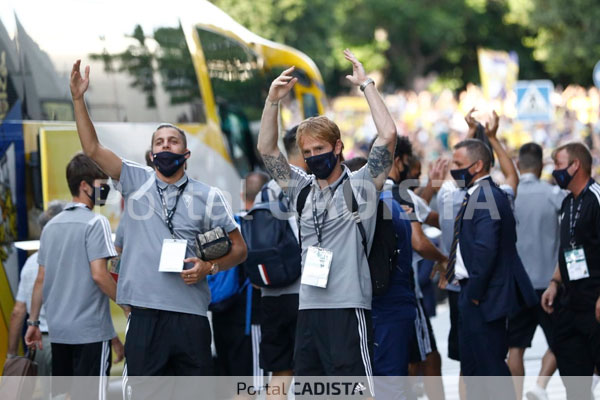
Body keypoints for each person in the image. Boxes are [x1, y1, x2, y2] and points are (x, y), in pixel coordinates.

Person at [68, 60, 247, 397]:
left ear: (186, 152)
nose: (166, 146)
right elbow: (92, 149)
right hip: (146, 317)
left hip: (191, 317)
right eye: (160, 142)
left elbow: (239, 249)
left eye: (173, 141)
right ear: (151, 155)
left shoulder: (209, 197)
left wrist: (209, 267)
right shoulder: (135, 181)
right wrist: (78, 99)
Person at [257, 49, 396, 397]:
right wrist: (273, 101)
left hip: (348, 307)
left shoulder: (361, 186)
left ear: (338, 148)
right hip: (309, 308)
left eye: (320, 149)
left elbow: (389, 136)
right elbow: (268, 151)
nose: (313, 157)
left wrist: (367, 86)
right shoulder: (301, 190)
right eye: (307, 153)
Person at [24, 154, 125, 400]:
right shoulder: (96, 223)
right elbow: (100, 275)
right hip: (91, 334)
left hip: (59, 333)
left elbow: (41, 279)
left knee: (63, 396)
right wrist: (127, 305)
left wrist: (34, 323)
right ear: (84, 186)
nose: (106, 191)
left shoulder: (51, 226)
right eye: (102, 185)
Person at [446, 138, 537, 400]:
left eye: (459, 164)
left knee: (490, 371)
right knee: (475, 371)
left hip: (483, 298)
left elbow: (487, 249)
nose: (454, 169)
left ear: (477, 166)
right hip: (474, 294)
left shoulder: (486, 195)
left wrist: (474, 293)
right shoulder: (478, 193)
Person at [541, 142, 600, 400]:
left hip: (595, 304)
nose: (555, 171)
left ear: (575, 165)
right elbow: (568, 250)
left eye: (559, 164)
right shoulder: (567, 203)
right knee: (574, 380)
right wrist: (554, 282)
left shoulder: (597, 198)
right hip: (570, 303)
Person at [508, 143, 564, 400]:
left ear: (519, 165)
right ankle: (541, 385)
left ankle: (517, 397)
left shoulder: (509, 195)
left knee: (515, 347)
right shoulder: (554, 194)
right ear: (542, 166)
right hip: (549, 284)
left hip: (518, 284)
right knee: (561, 340)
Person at [257, 126, 304, 400]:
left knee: (280, 371)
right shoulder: (307, 184)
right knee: (312, 370)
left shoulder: (266, 190)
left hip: (271, 291)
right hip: (305, 292)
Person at [212, 172, 266, 390]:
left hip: (221, 314)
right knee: (248, 387)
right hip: (247, 320)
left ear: (243, 194)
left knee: (230, 385)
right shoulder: (261, 227)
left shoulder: (229, 226)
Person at [6, 201, 65, 379]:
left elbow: (18, 312)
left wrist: (11, 355)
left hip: (39, 343)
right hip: (68, 340)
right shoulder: (71, 260)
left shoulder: (31, 264)